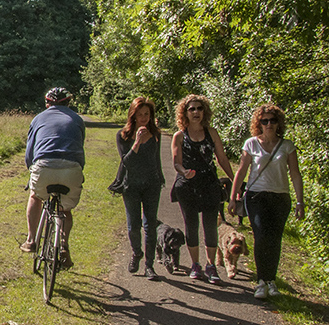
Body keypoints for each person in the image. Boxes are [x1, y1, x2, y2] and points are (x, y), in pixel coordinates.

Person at [229, 104, 305, 299]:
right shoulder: (251, 144)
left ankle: (271, 281)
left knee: (274, 239)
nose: (269, 124)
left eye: (272, 120)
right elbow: (242, 170)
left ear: (278, 123)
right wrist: (232, 197)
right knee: (261, 236)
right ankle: (261, 281)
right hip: (256, 196)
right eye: (265, 121)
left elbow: (295, 174)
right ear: (259, 123)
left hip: (280, 197)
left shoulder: (287, 146)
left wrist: (300, 201)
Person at [170, 94, 235, 284]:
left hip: (209, 184)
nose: (196, 112)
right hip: (187, 185)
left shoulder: (212, 133)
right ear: (185, 113)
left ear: (204, 112)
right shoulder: (179, 135)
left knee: (209, 226)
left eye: (199, 108)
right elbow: (176, 162)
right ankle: (195, 265)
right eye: (192, 109)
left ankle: (211, 265)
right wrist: (184, 172)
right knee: (191, 225)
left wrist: (234, 180)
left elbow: (222, 158)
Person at [20, 86, 85, 268]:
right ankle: (63, 245)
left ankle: (32, 239)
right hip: (72, 168)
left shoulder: (38, 118)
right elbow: (80, 150)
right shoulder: (77, 120)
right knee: (65, 210)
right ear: (68, 103)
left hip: (44, 167)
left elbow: (29, 152)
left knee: (35, 196)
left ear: (47, 103)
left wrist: (30, 171)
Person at [116, 97, 164, 281]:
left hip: (151, 184)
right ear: (133, 115)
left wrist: (160, 179)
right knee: (133, 226)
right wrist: (137, 142)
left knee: (150, 225)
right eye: (140, 114)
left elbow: (156, 160)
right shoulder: (123, 135)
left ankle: (149, 266)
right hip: (131, 184)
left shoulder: (156, 134)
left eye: (147, 114)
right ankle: (137, 252)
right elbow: (126, 161)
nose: (144, 118)